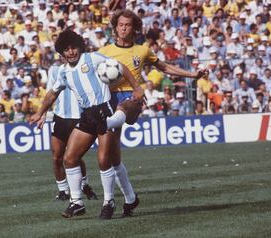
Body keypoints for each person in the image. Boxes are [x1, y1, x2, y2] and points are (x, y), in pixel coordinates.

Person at [98, 9, 204, 217]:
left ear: (135, 28)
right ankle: (130, 199)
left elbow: (164, 67)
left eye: (128, 25)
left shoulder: (143, 50)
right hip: (108, 99)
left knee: (125, 108)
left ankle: (107, 202)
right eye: (120, 25)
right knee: (108, 156)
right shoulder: (104, 51)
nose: (124, 28)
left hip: (133, 98)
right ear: (115, 27)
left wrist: (192, 74)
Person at [30, 29, 143, 219]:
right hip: (87, 116)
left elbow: (121, 66)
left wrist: (137, 87)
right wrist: (40, 112)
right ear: (61, 52)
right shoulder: (64, 72)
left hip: (105, 110)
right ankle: (77, 202)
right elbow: (52, 93)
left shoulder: (91, 58)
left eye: (73, 47)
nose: (71, 52)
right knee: (70, 158)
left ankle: (109, 202)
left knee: (104, 160)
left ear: (79, 46)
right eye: (66, 49)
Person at [40, 59, 98, 201]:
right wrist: (42, 113)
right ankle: (63, 191)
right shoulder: (54, 70)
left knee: (74, 157)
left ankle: (84, 185)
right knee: (57, 157)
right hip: (60, 117)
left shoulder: (86, 67)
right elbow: (50, 93)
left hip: (80, 117)